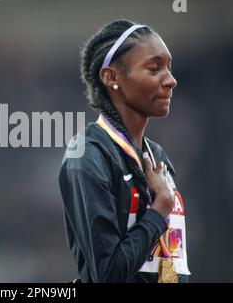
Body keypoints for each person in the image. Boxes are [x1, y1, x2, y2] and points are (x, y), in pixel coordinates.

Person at [58, 19, 190, 283]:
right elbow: (108, 275)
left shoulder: (157, 157)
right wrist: (158, 211)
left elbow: (175, 264)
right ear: (111, 77)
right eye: (154, 69)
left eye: (169, 68)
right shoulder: (87, 155)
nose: (171, 81)